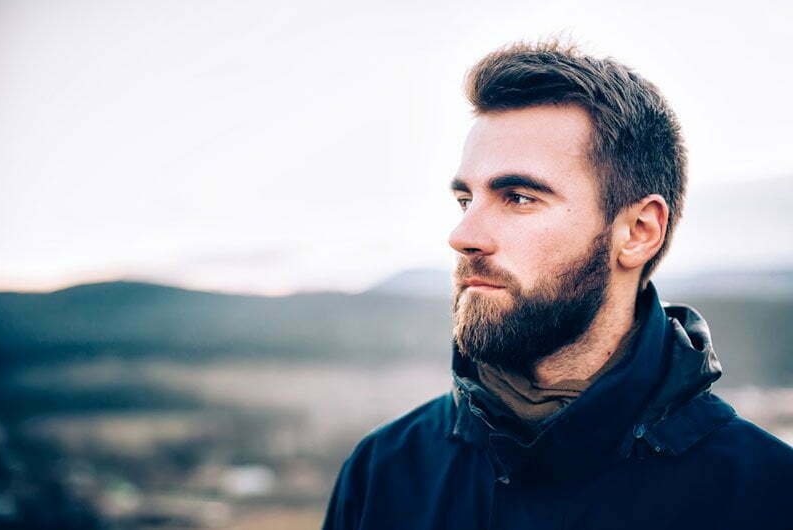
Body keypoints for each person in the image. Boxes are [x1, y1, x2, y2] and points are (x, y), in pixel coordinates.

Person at [322, 41, 793, 530]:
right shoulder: (385, 473)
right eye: (466, 200)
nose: (462, 236)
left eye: (518, 198)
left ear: (637, 232)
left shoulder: (767, 495)